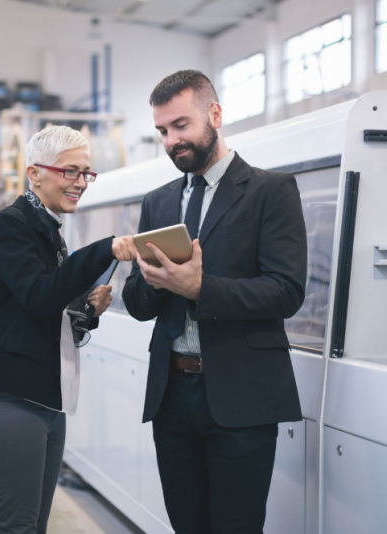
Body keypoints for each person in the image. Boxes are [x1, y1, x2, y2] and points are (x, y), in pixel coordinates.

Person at [122, 70, 307, 533]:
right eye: (163, 131)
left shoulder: (270, 191)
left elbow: (286, 290)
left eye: (180, 125)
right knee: (187, 525)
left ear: (215, 114)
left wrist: (200, 289)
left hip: (240, 396)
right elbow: (138, 302)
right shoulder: (158, 203)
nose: (171, 141)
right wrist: (155, 281)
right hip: (172, 394)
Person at [0, 125, 138, 533]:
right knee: (16, 527)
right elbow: (39, 296)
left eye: (86, 173)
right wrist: (104, 249)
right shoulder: (11, 226)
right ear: (34, 173)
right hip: (12, 400)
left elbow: (47, 314)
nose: (80, 183)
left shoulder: (49, 229)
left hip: (46, 402)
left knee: (33, 526)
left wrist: (87, 312)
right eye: (70, 172)